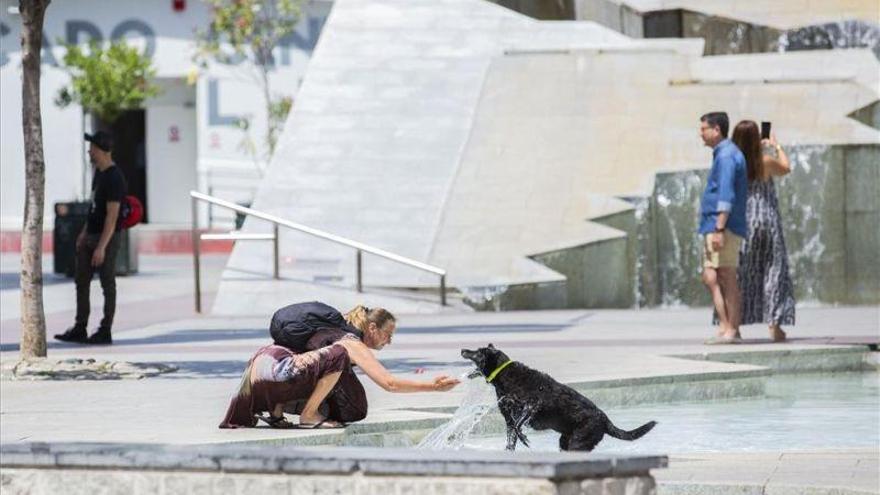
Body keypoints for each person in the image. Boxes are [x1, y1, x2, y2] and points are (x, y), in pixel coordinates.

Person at [220, 304, 460, 429]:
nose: (390, 341)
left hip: (260, 371)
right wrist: (432, 386)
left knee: (335, 380)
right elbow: (389, 383)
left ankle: (275, 410)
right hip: (274, 371)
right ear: (373, 328)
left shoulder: (322, 333)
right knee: (340, 362)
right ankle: (309, 415)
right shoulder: (349, 341)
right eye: (388, 334)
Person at [55, 131, 127, 345]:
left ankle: (105, 330)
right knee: (81, 281)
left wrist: (101, 247)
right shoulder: (99, 173)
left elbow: (112, 217)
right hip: (91, 235)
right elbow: (94, 208)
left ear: (102, 150)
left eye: (93, 148)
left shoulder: (115, 178)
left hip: (106, 238)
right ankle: (80, 327)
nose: (89, 151)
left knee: (107, 283)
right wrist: (84, 233)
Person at [730, 121, 795, 342]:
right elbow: (786, 167)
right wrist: (776, 147)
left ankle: (734, 326)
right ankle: (775, 327)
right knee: (774, 272)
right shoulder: (764, 161)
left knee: (741, 275)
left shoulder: (733, 163)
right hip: (767, 220)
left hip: (743, 222)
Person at [698, 112, 748, 345]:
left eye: (704, 129)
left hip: (723, 226)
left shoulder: (727, 155)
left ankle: (732, 329)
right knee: (710, 276)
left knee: (727, 276)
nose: (701, 133)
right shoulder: (722, 154)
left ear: (716, 130)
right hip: (712, 224)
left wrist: (719, 228)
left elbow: (726, 193)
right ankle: (725, 325)